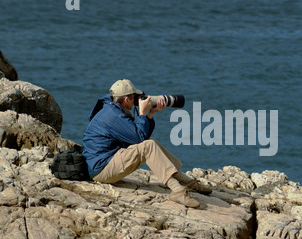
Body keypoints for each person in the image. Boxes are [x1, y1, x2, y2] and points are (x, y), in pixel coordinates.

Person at [82, 79, 212, 208]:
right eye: (134, 98)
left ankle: (186, 181)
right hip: (101, 169)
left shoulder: (112, 109)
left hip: (106, 160)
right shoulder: (113, 115)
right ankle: (177, 190)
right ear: (126, 99)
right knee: (148, 146)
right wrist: (142, 113)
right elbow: (138, 138)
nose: (137, 101)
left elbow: (140, 137)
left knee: (151, 143)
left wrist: (150, 115)